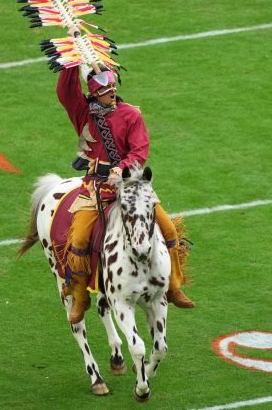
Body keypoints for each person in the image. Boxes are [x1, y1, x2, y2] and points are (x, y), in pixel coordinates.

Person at [56, 26, 195, 324]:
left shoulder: (132, 114)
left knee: (169, 230)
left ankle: (173, 286)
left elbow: (140, 150)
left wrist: (125, 167)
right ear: (94, 93)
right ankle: (80, 297)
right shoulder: (83, 113)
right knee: (79, 238)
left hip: (131, 185)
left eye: (113, 87)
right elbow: (65, 92)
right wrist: (71, 54)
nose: (112, 91)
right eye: (105, 90)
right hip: (96, 187)